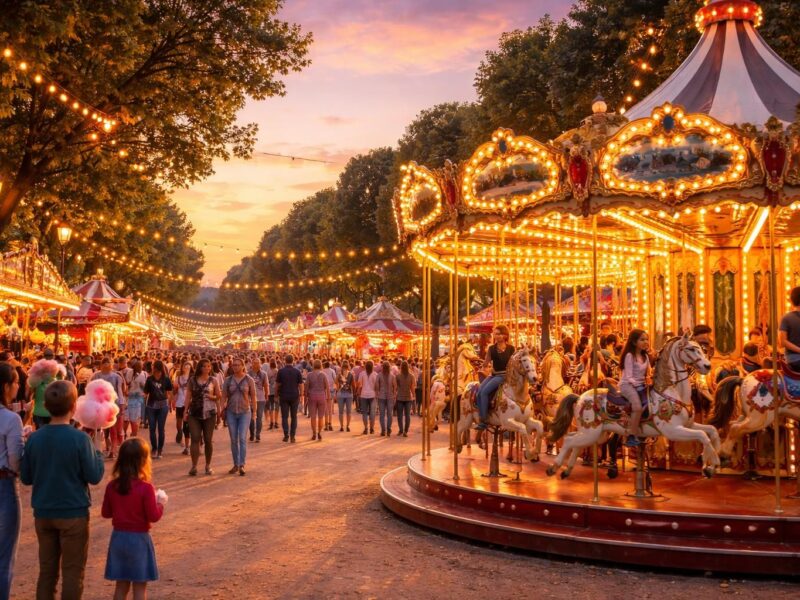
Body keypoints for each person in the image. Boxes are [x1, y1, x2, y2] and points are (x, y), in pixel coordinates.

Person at [20, 380, 105, 600]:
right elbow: (94, 476)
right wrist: (98, 452)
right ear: (74, 407)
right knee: (72, 573)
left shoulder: (34, 439)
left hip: (43, 512)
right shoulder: (81, 439)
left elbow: (26, 477)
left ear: (46, 406)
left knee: (46, 572)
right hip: (73, 512)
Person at [101, 438, 165, 600]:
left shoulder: (112, 486)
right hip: (139, 540)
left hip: (118, 538)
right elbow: (153, 516)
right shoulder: (146, 488)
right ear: (143, 461)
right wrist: (160, 504)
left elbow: (106, 513)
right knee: (139, 587)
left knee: (121, 585)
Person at [0, 363, 23, 600]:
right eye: (16, 382)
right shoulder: (10, 419)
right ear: (6, 386)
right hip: (4, 485)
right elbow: (16, 459)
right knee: (4, 555)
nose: (18, 386)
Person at [185, 359, 221, 476]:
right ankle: (194, 466)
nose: (206, 368)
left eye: (208, 366)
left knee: (208, 440)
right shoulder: (192, 380)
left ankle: (208, 465)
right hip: (194, 413)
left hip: (209, 413)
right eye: (204, 366)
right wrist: (185, 411)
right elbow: (188, 397)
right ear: (200, 367)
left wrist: (212, 398)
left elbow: (218, 396)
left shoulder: (213, 380)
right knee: (195, 438)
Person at [476, 325, 515, 430]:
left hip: (504, 376)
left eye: (499, 334)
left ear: (505, 335)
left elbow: (514, 363)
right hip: (494, 374)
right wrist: (482, 365)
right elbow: (486, 362)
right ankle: (482, 414)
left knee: (484, 392)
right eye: (495, 334)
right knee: (479, 391)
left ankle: (484, 420)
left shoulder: (511, 349)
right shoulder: (492, 348)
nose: (496, 336)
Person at [221, 358, 256, 475]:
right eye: (234, 365)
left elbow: (253, 396)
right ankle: (235, 464)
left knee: (242, 438)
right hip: (231, 412)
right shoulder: (228, 380)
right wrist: (221, 408)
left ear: (242, 366)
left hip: (245, 412)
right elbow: (223, 396)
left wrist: (254, 412)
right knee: (233, 439)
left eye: (238, 365)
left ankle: (242, 464)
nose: (236, 367)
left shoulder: (249, 380)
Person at [619, 329, 651, 448]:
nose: (645, 342)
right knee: (637, 407)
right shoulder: (630, 356)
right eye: (642, 340)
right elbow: (629, 376)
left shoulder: (645, 356)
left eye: (646, 339)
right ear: (634, 342)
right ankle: (631, 436)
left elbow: (648, 372)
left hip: (640, 384)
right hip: (627, 385)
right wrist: (640, 386)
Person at [91, 357, 128, 459]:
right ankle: (106, 448)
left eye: (108, 363)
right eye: (104, 363)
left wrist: (122, 404)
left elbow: (120, 392)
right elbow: (92, 390)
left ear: (111, 365)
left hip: (113, 405)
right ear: (101, 365)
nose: (106, 365)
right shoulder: (96, 376)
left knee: (114, 429)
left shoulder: (116, 377)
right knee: (102, 430)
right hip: (100, 405)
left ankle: (114, 450)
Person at [143, 361, 173, 459]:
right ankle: (154, 448)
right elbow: (146, 392)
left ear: (156, 367)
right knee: (152, 428)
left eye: (153, 366)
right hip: (151, 406)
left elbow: (170, 392)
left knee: (161, 428)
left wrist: (170, 403)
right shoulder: (149, 379)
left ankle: (160, 449)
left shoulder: (166, 379)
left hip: (163, 406)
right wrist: (142, 396)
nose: (152, 367)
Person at [275, 355, 304, 443]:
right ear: (293, 361)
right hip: (294, 396)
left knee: (284, 416)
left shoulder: (281, 371)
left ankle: (286, 435)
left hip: (284, 396)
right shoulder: (297, 371)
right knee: (294, 417)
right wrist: (301, 395)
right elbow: (301, 385)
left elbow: (277, 384)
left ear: (285, 361)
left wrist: (276, 395)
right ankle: (292, 436)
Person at [305, 360, 330, 441]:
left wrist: (305, 397)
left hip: (312, 396)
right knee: (320, 417)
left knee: (313, 417)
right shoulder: (323, 375)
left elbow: (306, 387)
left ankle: (314, 433)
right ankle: (319, 433)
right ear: (320, 365)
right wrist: (328, 398)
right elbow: (327, 388)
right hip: (322, 396)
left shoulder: (309, 375)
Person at [170, 361, 191, 455]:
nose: (187, 368)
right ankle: (179, 432)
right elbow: (174, 392)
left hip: (188, 404)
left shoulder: (192, 379)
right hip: (179, 403)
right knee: (179, 422)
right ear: (182, 368)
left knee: (186, 423)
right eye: (185, 366)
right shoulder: (178, 378)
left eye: (188, 367)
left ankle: (186, 442)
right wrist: (172, 400)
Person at [247, 357, 269, 443]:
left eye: (258, 363)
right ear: (252, 364)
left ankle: (258, 435)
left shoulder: (263, 374)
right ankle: (252, 434)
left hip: (260, 398)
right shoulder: (248, 374)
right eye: (255, 363)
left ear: (260, 364)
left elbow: (266, 386)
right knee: (251, 418)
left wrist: (266, 396)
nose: (256, 365)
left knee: (259, 417)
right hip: (250, 399)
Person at [780, 287, 800, 372]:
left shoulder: (786, 318)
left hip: (792, 359)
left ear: (791, 301)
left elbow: (782, 341)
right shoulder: (787, 318)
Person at [375, 361, 397, 437]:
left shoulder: (379, 375)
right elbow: (395, 386)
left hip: (381, 396)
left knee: (382, 414)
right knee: (389, 414)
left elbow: (377, 385)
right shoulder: (392, 376)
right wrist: (394, 394)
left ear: (383, 367)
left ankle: (383, 430)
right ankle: (389, 429)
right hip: (390, 396)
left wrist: (377, 393)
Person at [356, 360, 378, 435]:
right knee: (372, 413)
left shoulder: (362, 373)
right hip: (372, 395)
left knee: (364, 413)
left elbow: (359, 384)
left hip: (364, 395)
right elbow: (376, 386)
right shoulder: (375, 374)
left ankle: (366, 428)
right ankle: (372, 428)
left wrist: (358, 392)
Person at [126, 360, 147, 439]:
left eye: (141, 367)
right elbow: (127, 383)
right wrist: (132, 380)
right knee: (130, 417)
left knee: (135, 418)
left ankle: (134, 434)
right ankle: (133, 433)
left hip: (139, 398)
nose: (141, 368)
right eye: (139, 367)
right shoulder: (130, 372)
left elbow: (145, 387)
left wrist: (142, 386)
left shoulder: (144, 374)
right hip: (129, 397)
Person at [395, 361, 416, 437]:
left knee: (400, 415)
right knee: (407, 416)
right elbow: (412, 388)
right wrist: (414, 396)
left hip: (400, 397)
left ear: (401, 367)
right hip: (408, 398)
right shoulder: (412, 376)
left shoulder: (398, 376)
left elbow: (396, 388)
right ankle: (406, 431)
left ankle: (401, 430)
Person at [336, 361, 353, 432]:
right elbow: (353, 384)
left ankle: (342, 426)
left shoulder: (339, 375)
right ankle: (348, 426)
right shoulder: (351, 375)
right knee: (349, 412)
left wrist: (338, 389)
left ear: (341, 367)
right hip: (349, 394)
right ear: (348, 367)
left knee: (341, 412)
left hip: (340, 394)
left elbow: (336, 383)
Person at [322, 360, 336, 432]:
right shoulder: (332, 371)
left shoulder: (322, 371)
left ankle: (326, 425)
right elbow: (335, 380)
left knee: (325, 409)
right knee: (330, 409)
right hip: (331, 390)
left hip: (324, 391)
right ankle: (330, 424)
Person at [265, 359, 279, 431]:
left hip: (270, 390)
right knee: (277, 407)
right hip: (276, 391)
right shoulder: (277, 371)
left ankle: (271, 422)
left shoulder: (268, 371)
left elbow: (266, 381)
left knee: (271, 407)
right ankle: (276, 422)